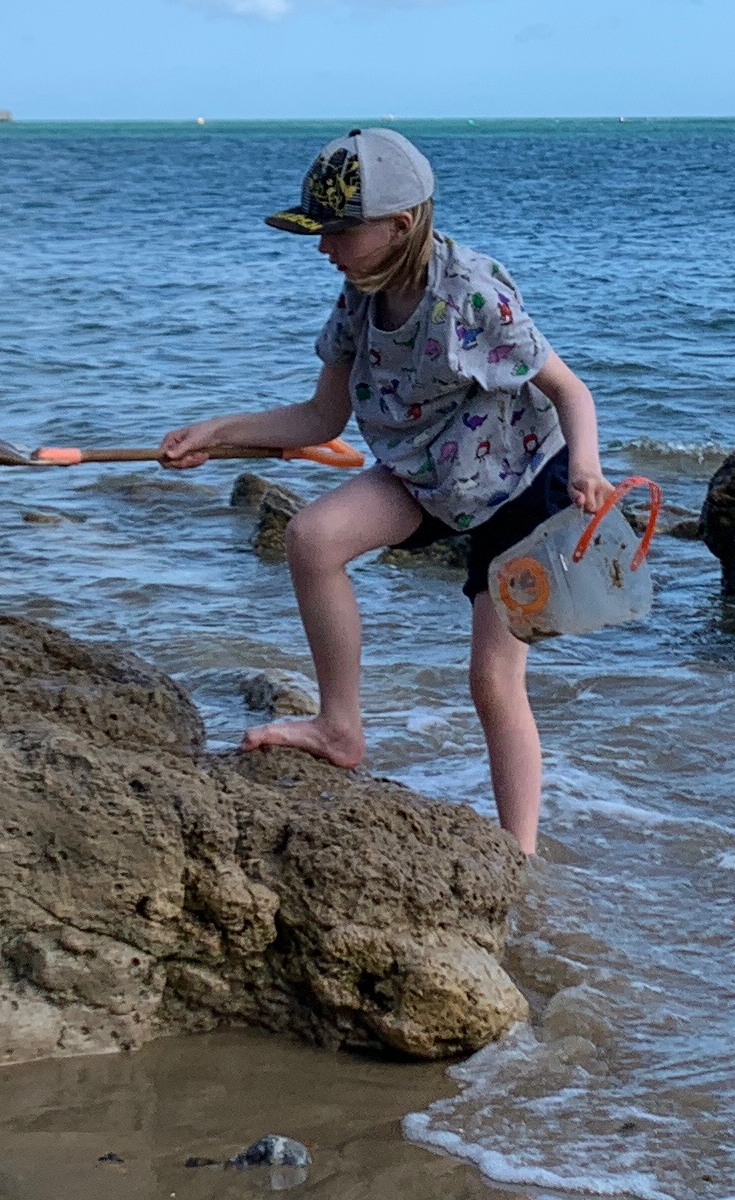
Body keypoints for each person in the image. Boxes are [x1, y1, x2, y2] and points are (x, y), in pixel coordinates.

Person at [159, 128, 608, 854]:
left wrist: (586, 466)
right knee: (312, 538)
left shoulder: (470, 294)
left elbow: (569, 391)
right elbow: (320, 419)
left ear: (399, 226)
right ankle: (339, 727)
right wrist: (217, 432)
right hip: (427, 473)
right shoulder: (358, 298)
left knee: (493, 681)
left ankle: (517, 856)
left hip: (521, 486)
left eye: (337, 230)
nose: (322, 246)